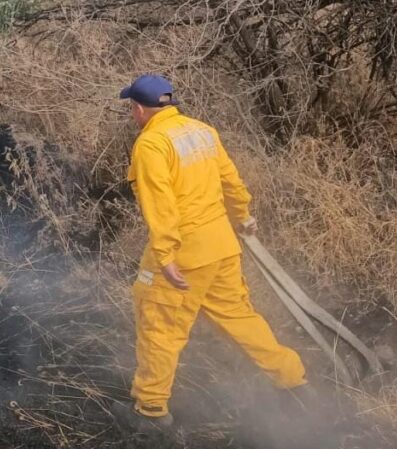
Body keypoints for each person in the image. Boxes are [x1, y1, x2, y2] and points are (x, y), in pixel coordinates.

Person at [117, 73, 310, 428]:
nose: (133, 114)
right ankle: (292, 380)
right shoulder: (202, 131)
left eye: (132, 108)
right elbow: (231, 181)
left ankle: (151, 409)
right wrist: (243, 217)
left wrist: (165, 256)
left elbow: (161, 206)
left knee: (159, 326)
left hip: (185, 254)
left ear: (140, 109)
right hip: (222, 247)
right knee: (241, 319)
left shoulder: (152, 144)